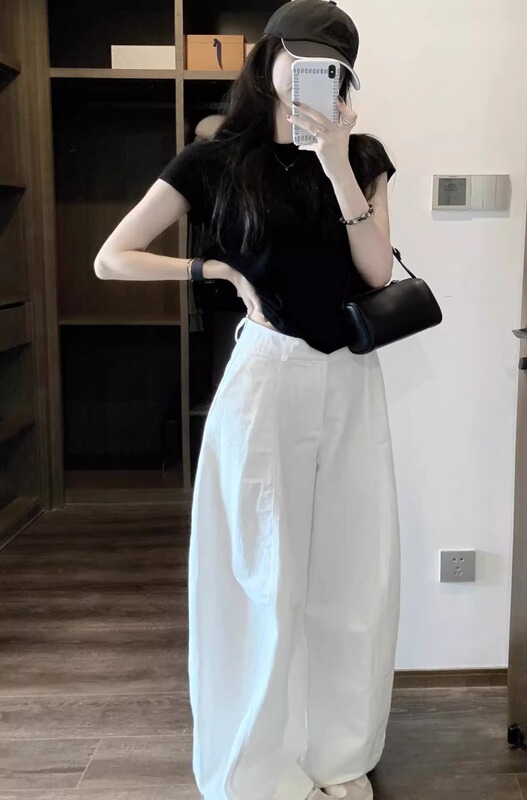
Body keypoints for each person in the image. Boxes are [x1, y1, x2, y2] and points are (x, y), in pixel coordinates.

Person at [93, 2, 401, 798]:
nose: (308, 73)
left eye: (330, 65)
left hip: (351, 378)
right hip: (267, 378)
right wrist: (214, 270)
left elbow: (376, 272)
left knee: (353, 572)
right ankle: (259, 771)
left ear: (346, 79)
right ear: (268, 57)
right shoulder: (214, 159)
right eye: (298, 56)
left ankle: (338, 758)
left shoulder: (363, 156)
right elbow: (112, 257)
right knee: (260, 577)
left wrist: (337, 163)